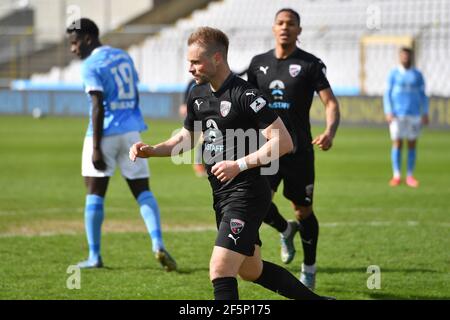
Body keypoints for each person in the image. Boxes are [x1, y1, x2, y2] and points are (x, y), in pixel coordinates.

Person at [130, 26, 333, 300]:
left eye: (195, 61)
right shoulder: (197, 93)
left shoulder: (246, 95)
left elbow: (283, 142)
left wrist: (239, 164)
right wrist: (151, 150)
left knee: (220, 269)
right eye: (188, 62)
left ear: (217, 58)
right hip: (222, 195)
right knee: (251, 269)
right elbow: (188, 138)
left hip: (247, 193)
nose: (190, 68)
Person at [66, 18, 176, 271]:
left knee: (94, 194)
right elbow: (134, 91)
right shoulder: (123, 56)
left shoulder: (90, 65)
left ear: (88, 39)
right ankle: (157, 243)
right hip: (132, 133)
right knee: (143, 191)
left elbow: (96, 104)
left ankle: (94, 256)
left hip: (103, 134)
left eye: (74, 43)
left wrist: (95, 146)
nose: (73, 49)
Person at [247, 8, 340, 291]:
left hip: (299, 151)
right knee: (257, 204)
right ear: (273, 28)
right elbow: (246, 103)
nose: (285, 27)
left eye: (291, 24)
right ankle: (286, 231)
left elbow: (331, 103)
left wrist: (329, 132)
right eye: (280, 22)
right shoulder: (258, 63)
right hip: (268, 149)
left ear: (299, 31)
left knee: (303, 211)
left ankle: (308, 269)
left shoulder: (310, 64)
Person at [383, 47, 429, 188]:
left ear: (411, 57)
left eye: (407, 56)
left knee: (412, 144)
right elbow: (387, 94)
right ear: (400, 57)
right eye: (403, 55)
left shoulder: (417, 74)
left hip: (414, 114)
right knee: (397, 143)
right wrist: (388, 111)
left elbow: (423, 95)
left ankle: (409, 176)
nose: (405, 58)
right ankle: (396, 176)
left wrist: (425, 112)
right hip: (397, 114)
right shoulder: (394, 74)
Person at [178, 78, 207, 177]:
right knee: (202, 139)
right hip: (197, 113)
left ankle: (200, 163)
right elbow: (187, 90)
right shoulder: (194, 81)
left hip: (205, 112)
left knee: (203, 139)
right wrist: (183, 104)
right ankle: (198, 163)